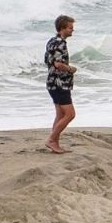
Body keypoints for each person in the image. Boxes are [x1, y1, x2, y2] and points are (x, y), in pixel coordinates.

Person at [45, 15, 77, 154]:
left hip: (52, 82)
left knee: (60, 114)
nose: (72, 30)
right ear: (62, 28)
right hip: (59, 83)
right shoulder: (61, 43)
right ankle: (51, 140)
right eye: (70, 28)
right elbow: (58, 64)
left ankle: (55, 144)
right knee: (70, 114)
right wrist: (71, 69)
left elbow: (49, 61)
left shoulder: (52, 41)